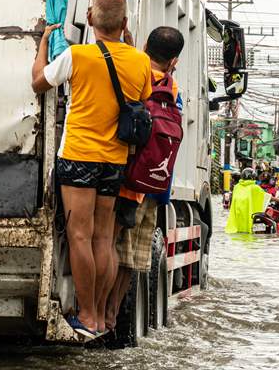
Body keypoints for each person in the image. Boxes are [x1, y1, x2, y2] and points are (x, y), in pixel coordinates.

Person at [31, 0, 152, 338]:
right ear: (125, 24)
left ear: (90, 19)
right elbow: (141, 99)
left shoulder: (77, 55)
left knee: (79, 235)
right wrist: (129, 48)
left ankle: (85, 315)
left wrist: (43, 45)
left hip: (80, 155)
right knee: (103, 239)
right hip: (115, 159)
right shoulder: (140, 61)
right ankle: (99, 316)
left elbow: (39, 82)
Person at [105, 26, 184, 333]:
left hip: (117, 175)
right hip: (149, 184)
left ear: (144, 46)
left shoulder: (133, 71)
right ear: (173, 61)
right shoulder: (172, 89)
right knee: (132, 257)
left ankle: (97, 312)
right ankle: (112, 315)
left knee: (106, 245)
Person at [225, 168, 279, 234]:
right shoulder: (254, 187)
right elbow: (266, 196)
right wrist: (277, 199)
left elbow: (232, 200)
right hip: (249, 212)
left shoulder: (237, 187)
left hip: (238, 212)